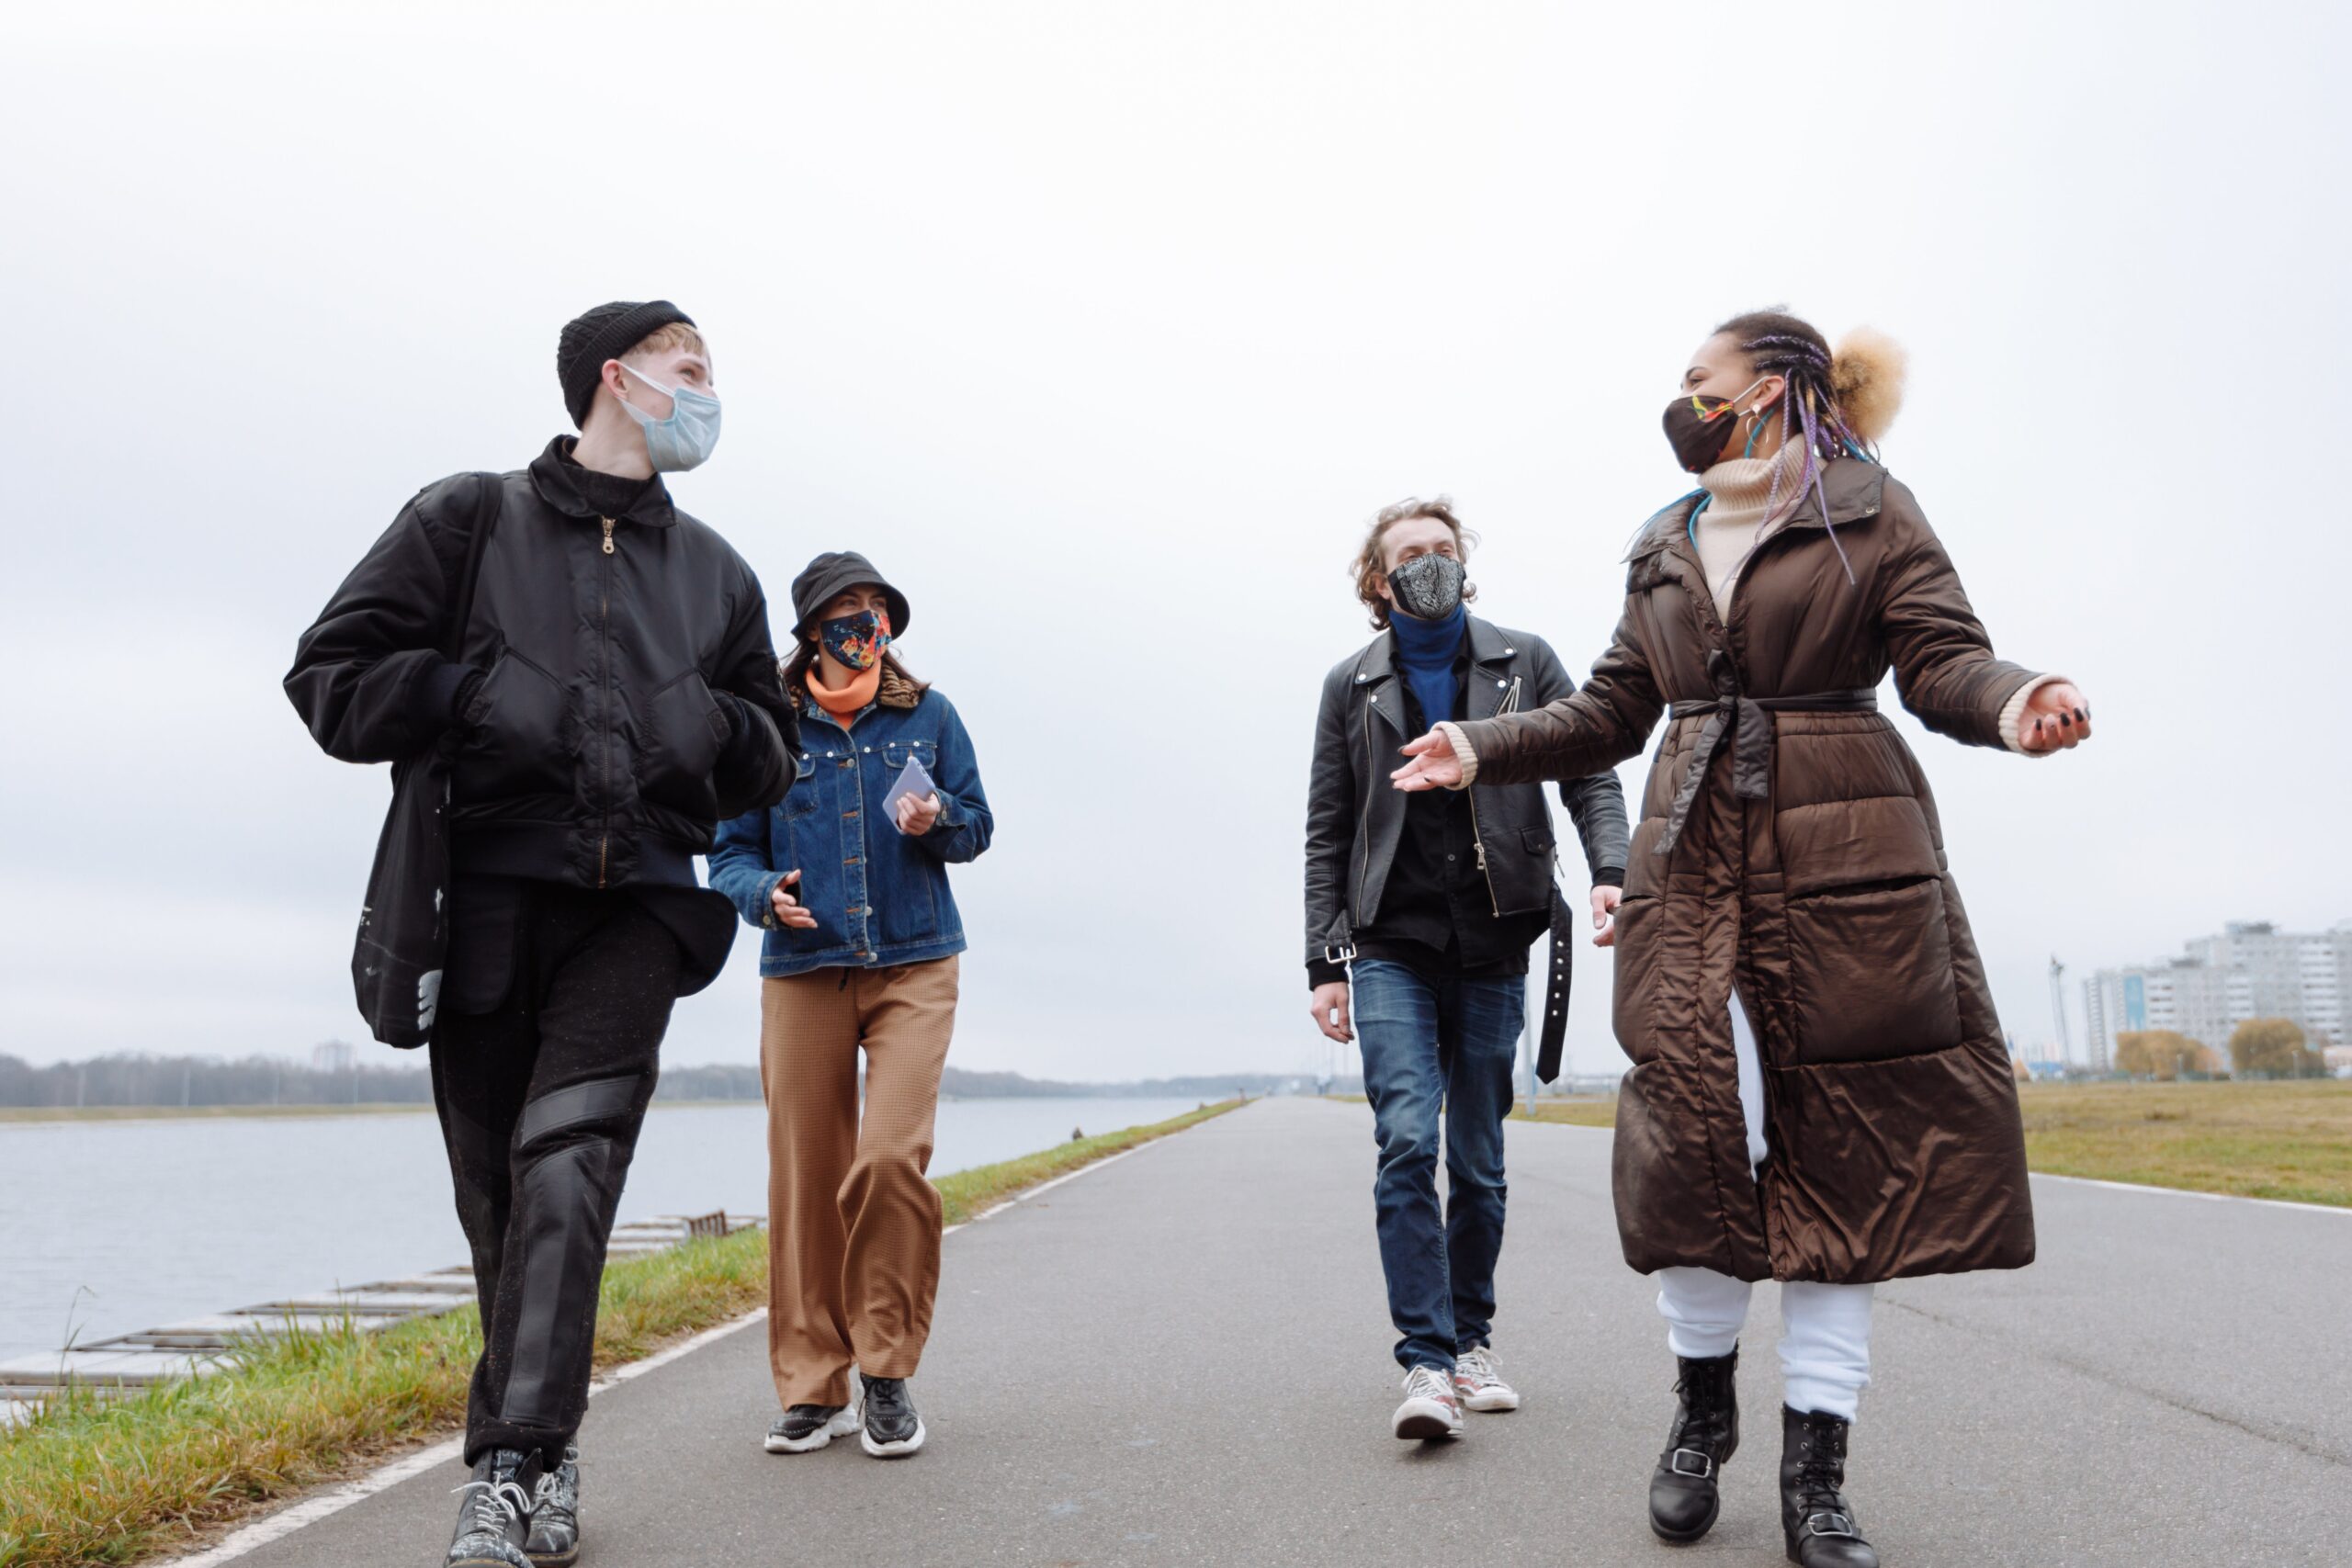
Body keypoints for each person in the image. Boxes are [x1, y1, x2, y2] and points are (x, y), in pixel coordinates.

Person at [1391, 311, 2091, 1566]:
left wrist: (2016, 696)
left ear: (1766, 390)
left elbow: (1943, 659)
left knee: (1846, 1149)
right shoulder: (1663, 541)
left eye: (1697, 380)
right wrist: (1481, 744)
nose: (1680, 399)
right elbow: (1612, 707)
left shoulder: (1872, 509)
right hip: (1691, 853)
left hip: (1849, 851)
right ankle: (1698, 1412)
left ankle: (1818, 1470)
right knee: (1699, 1133)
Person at [286, 301, 796, 1568]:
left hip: (638, 917)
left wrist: (703, 729)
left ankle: (503, 1474)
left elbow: (769, 746)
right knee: (502, 1212)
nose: (708, 391)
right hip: (482, 906)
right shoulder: (465, 521)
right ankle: (554, 1451)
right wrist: (469, 688)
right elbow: (329, 677)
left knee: (567, 1165)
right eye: (691, 368)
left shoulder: (718, 573)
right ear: (616, 378)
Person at [1304, 497, 1629, 1440]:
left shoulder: (1521, 661)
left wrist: (1610, 868)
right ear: (1379, 580)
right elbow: (1327, 827)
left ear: (1465, 564)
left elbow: (1591, 767)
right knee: (1407, 1137)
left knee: (1478, 1161)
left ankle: (1471, 1338)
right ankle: (1425, 1363)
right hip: (1389, 944)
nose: (1430, 565)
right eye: (1410, 555)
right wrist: (1325, 961)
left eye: (1443, 551)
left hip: (1495, 940)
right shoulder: (1348, 685)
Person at [709, 550, 993, 1461]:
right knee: (804, 1182)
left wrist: (938, 815)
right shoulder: (768, 728)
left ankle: (885, 1369)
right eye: (845, 609)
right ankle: (811, 1386)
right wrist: (763, 894)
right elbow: (726, 855)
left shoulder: (930, 717)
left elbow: (979, 825)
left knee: (890, 1161)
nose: (864, 622)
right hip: (801, 970)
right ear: (811, 630)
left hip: (915, 964)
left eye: (876, 608)